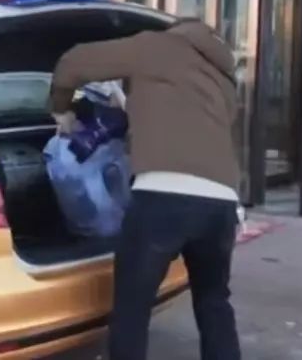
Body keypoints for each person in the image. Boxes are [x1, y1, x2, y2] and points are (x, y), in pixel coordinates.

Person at [49, 18, 242, 360]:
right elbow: (190, 121)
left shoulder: (157, 45)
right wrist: (131, 108)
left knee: (132, 307)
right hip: (222, 203)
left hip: (164, 197)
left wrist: (61, 109)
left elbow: (72, 63)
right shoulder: (224, 78)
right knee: (214, 303)